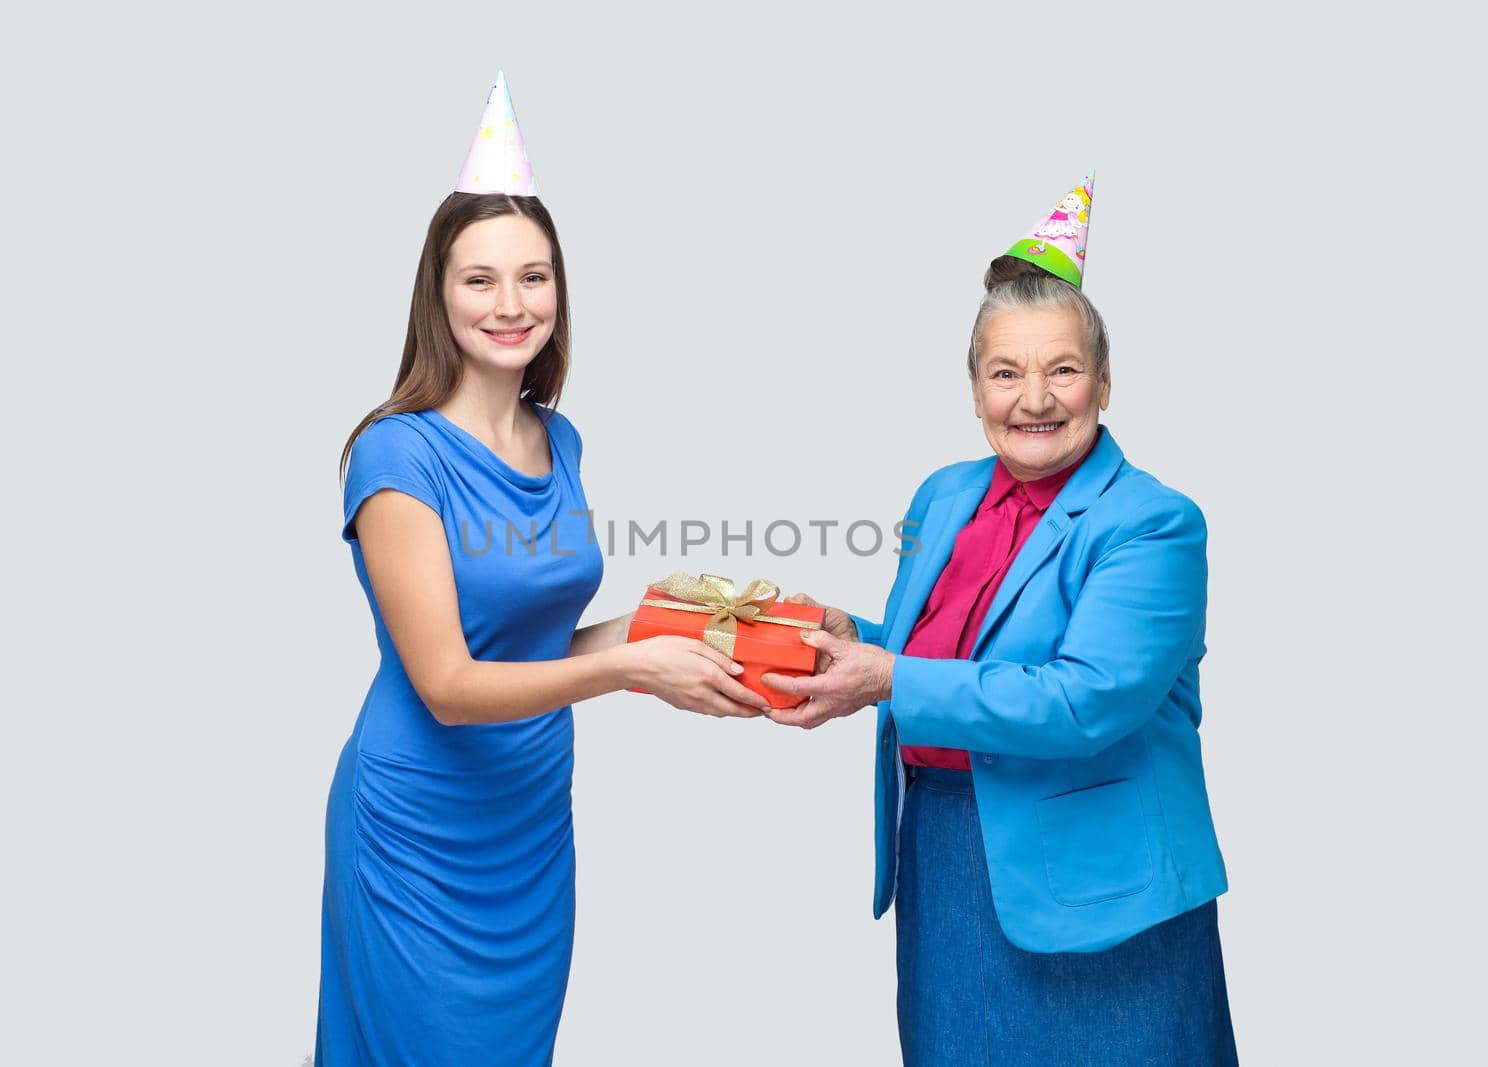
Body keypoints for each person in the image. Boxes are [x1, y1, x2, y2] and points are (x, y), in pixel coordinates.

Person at [314, 74, 765, 1067]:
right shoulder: (397, 456)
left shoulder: (557, 440)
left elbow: (541, 639)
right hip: (417, 828)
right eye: (480, 278)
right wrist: (632, 669)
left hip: (527, 820)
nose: (511, 304)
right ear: (437, 293)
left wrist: (683, 627)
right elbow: (448, 681)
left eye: (535, 275)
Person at [766, 176, 1238, 1065]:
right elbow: (950, 654)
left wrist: (890, 676)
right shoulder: (943, 494)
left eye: (1062, 369)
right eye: (1006, 372)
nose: (1036, 398)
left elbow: (1083, 699)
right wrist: (853, 639)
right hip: (947, 859)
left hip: (1107, 888)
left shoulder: (1153, 521)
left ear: (1104, 380)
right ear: (974, 387)